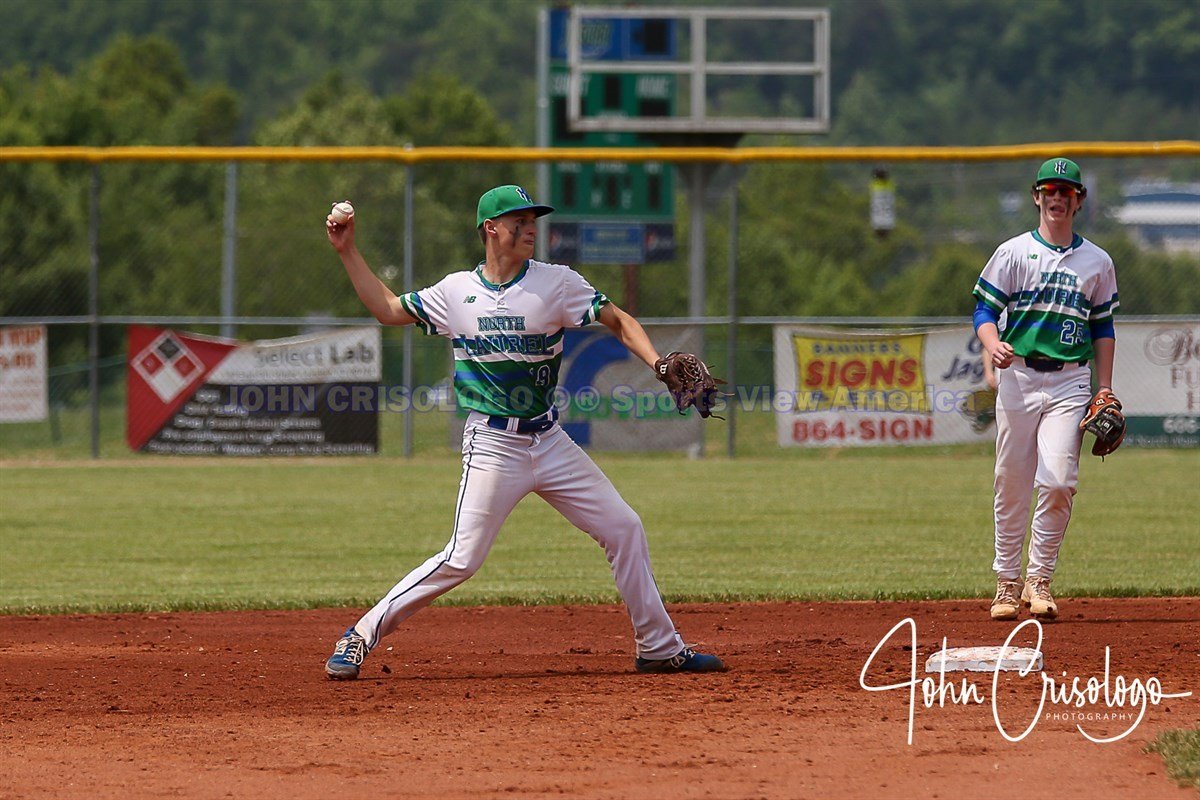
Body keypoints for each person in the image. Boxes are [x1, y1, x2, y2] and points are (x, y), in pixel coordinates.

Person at [322, 185, 726, 678]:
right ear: (490, 229)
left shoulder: (556, 282)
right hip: (493, 445)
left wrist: (658, 364)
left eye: (533, 220)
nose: (531, 227)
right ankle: (360, 634)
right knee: (463, 558)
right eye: (519, 220)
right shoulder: (455, 292)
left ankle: (659, 646)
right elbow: (388, 309)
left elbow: (617, 320)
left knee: (624, 528)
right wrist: (347, 251)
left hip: (550, 440)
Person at [972, 158, 1119, 621]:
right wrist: (992, 344)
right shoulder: (1013, 252)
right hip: (1018, 377)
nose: (1058, 198)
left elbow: (1103, 327)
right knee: (1011, 481)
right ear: (1036, 197)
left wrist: (1105, 387)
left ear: (1079, 200)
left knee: (1058, 481)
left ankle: (1038, 579)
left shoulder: (1097, 261)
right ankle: (1006, 583)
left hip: (1070, 380)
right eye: (1050, 190)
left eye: (1066, 191)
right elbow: (984, 311)